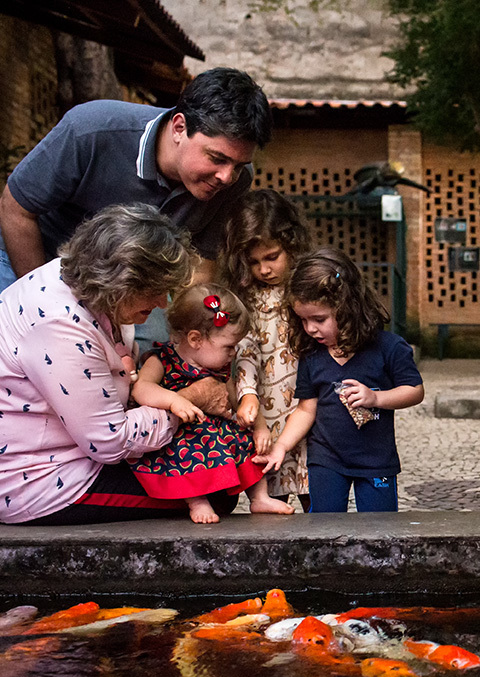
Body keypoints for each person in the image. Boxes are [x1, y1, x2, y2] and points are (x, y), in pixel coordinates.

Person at [0, 67, 271, 354]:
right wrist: (48, 304)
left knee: (152, 352)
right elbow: (16, 209)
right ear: (179, 127)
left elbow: (202, 265)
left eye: (239, 165)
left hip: (134, 283)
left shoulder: (233, 181)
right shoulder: (92, 130)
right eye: (217, 158)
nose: (227, 177)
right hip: (34, 260)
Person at [0, 204, 240, 525]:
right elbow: (109, 441)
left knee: (213, 471)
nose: (162, 304)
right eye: (155, 291)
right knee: (218, 491)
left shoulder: (85, 283)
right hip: (37, 482)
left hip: (70, 451)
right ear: (121, 281)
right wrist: (190, 400)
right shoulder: (59, 326)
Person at [260, 248, 424, 513]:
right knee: (323, 528)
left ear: (348, 308)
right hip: (326, 460)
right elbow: (306, 409)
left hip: (376, 461)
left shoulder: (389, 347)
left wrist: (377, 398)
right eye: (303, 320)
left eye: (319, 319)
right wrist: (281, 447)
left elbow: (415, 390)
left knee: (379, 531)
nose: (310, 328)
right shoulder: (312, 356)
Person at [130, 285, 295, 524]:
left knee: (246, 444)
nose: (234, 353)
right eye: (228, 347)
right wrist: (174, 400)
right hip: (183, 431)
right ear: (195, 339)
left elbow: (236, 399)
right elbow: (142, 389)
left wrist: (259, 427)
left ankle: (259, 497)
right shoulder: (161, 359)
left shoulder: (220, 367)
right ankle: (197, 502)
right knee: (186, 454)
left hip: (218, 430)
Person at [225, 189, 313, 510]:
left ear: (291, 245)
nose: (263, 269)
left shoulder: (307, 288)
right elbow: (245, 354)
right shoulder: (246, 300)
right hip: (267, 411)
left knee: (317, 502)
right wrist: (249, 396)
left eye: (272, 257)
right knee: (272, 505)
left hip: (309, 406)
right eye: (254, 262)